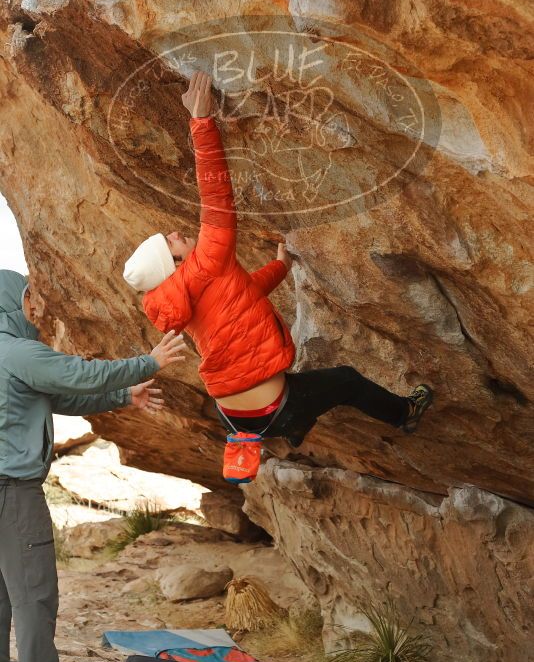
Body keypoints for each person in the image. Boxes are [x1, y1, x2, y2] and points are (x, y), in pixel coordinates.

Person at [123, 70, 433, 452]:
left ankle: (296, 424)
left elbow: (243, 296)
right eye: (167, 243)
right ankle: (406, 413)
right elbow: (215, 193)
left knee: (308, 389)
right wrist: (201, 121)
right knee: (346, 381)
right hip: (273, 407)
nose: (172, 234)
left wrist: (282, 267)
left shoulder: (183, 296)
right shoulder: (206, 261)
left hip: (233, 415)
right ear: (173, 263)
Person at [0, 269, 187, 662]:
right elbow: (77, 375)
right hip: (11, 493)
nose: (37, 307)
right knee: (34, 593)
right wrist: (147, 364)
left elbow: (54, 395)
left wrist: (124, 395)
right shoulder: (17, 351)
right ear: (14, 301)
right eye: (31, 298)